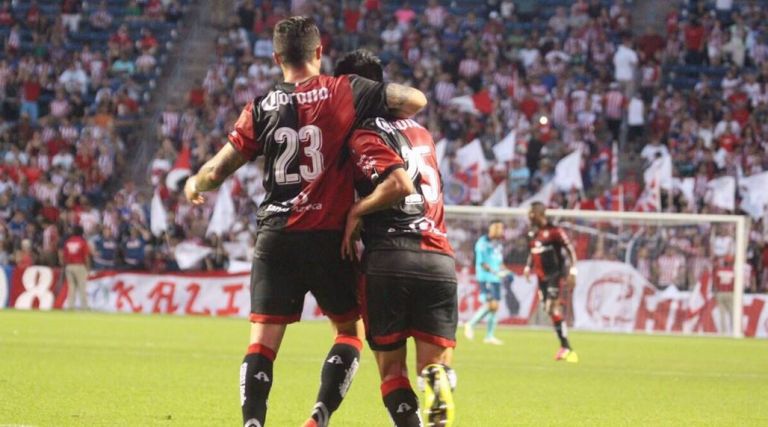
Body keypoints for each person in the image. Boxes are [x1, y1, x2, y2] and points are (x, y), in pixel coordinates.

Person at [182, 16, 427, 427]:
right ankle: (320, 414)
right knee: (348, 331)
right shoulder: (346, 90)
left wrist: (194, 181)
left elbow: (216, 171)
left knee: (262, 342)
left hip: (275, 235)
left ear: (276, 58)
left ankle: (252, 423)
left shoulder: (260, 108)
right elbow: (414, 100)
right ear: (319, 52)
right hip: (330, 238)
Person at [336, 49, 457, 427]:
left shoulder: (362, 134)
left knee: (391, 370)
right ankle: (437, 380)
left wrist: (356, 210)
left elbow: (397, 185)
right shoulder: (422, 134)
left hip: (389, 257)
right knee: (433, 364)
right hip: (438, 258)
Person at [524, 202, 579, 363]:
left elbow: (571, 251)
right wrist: (528, 267)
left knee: (552, 307)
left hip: (554, 276)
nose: (528, 216)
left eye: (531, 213)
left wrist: (573, 271)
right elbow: (531, 251)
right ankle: (565, 347)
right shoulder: (532, 234)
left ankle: (567, 348)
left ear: (539, 213)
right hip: (541, 279)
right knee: (549, 310)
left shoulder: (555, 232)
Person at [464, 222, 507, 345]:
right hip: (486, 277)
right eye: (499, 229)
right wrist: (495, 272)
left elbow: (499, 262)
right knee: (491, 305)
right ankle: (470, 324)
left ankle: (489, 336)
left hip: (495, 279)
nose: (501, 232)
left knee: (495, 307)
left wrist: (506, 271)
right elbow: (482, 263)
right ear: (493, 230)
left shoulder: (498, 244)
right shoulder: (482, 243)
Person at [60, 225, 91, 310]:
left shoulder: (68, 242)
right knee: (82, 286)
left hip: (69, 266)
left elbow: (64, 255)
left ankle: (70, 305)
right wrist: (88, 267)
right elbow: (86, 256)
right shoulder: (82, 242)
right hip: (79, 266)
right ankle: (84, 306)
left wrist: (65, 265)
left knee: (71, 287)